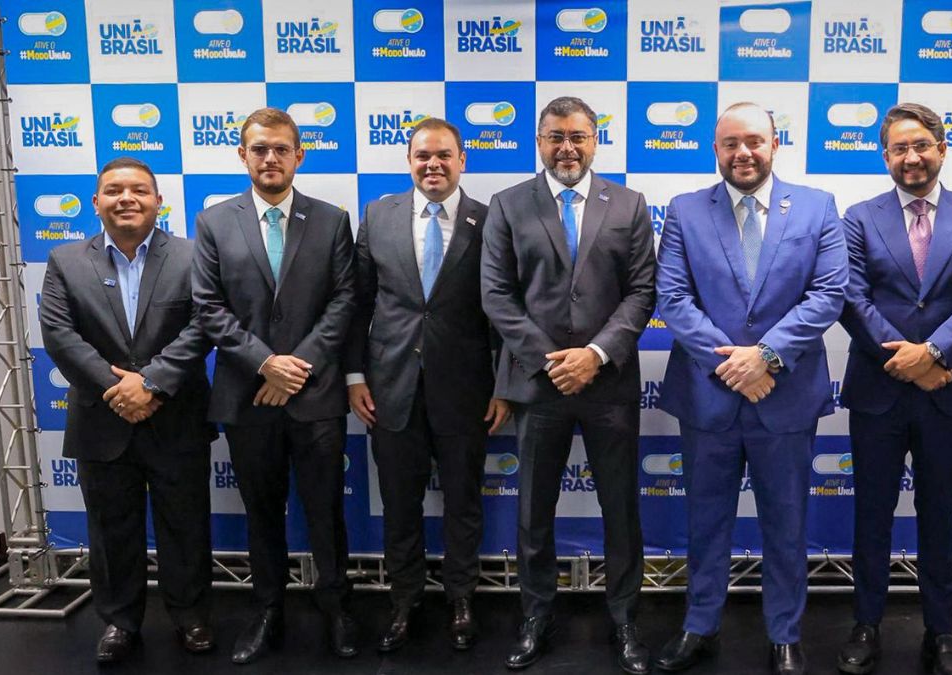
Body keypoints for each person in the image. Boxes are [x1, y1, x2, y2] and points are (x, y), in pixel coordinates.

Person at [654, 102, 848, 675]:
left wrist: (764, 357)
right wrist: (733, 365)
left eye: (755, 141)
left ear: (774, 144)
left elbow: (828, 294)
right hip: (707, 396)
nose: (743, 153)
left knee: (786, 524)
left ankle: (784, 633)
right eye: (731, 143)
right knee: (705, 521)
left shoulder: (816, 206)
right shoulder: (686, 211)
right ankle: (700, 626)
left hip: (784, 396)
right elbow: (673, 297)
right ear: (715, 149)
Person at [480, 96, 656, 674]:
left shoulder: (629, 205)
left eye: (578, 136)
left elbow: (642, 292)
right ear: (539, 142)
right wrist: (552, 360)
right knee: (534, 512)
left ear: (595, 140)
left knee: (620, 510)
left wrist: (595, 355)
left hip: (608, 383)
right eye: (555, 137)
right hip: (539, 384)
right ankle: (536, 616)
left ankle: (625, 618)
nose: (567, 148)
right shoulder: (508, 205)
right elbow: (496, 295)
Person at [836, 103, 952, 675]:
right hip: (879, 388)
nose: (910, 157)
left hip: (948, 387)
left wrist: (933, 353)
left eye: (920, 145)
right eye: (898, 148)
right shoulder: (858, 218)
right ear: (885, 156)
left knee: (940, 511)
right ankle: (866, 624)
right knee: (872, 512)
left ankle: (942, 630)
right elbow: (851, 298)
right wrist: (909, 361)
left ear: (941, 148)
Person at [191, 107, 358, 663]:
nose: (270, 158)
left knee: (325, 510)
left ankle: (336, 607)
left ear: (298, 156)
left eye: (281, 149)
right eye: (259, 149)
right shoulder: (214, 221)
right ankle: (268, 610)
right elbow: (208, 306)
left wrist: (295, 367)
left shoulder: (331, 220)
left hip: (315, 395)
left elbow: (344, 301)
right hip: (248, 396)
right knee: (262, 512)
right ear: (243, 155)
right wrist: (266, 364)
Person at [39, 157, 216, 664]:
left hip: (176, 416)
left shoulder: (192, 256)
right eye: (114, 190)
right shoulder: (65, 260)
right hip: (102, 418)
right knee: (110, 531)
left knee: (186, 525)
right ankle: (119, 622)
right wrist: (119, 389)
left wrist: (152, 384)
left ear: (159, 201)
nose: (126, 198)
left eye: (139, 190)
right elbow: (59, 334)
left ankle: (190, 615)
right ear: (96, 202)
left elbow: (205, 325)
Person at [344, 117, 509, 653]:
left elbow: (505, 309)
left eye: (443, 155)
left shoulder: (491, 220)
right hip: (389, 388)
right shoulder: (378, 215)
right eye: (422, 156)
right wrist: (354, 375)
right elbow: (358, 303)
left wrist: (504, 384)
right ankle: (404, 600)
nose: (433, 165)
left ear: (463, 161)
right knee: (399, 504)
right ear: (409, 161)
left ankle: (461, 597)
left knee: (463, 503)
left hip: (468, 390)